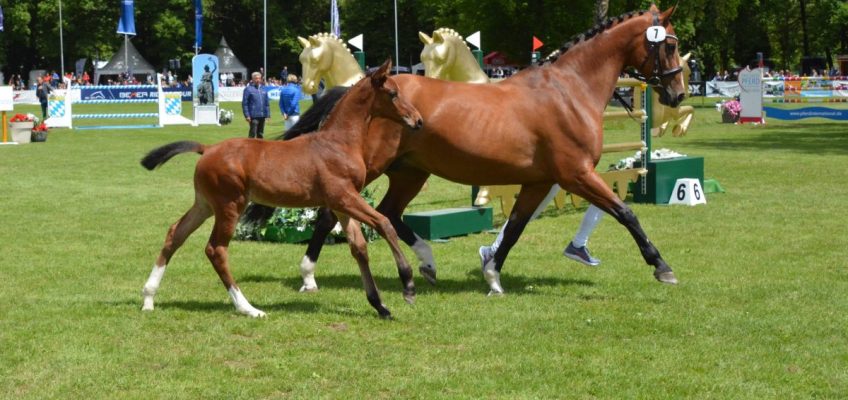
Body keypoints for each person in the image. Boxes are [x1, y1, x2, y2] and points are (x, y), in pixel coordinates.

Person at [479, 184, 604, 269]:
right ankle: (577, 246)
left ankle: (578, 245)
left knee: (603, 197)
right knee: (528, 213)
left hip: (561, 167)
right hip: (558, 168)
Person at [242, 71, 270, 139]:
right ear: (253, 79)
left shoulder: (263, 89)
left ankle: (260, 148)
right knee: (252, 133)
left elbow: (267, 104)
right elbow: (244, 103)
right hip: (253, 116)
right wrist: (247, 115)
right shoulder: (248, 89)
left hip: (262, 115)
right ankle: (249, 148)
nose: (258, 80)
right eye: (256, 78)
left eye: (259, 78)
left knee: (260, 134)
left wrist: (268, 115)